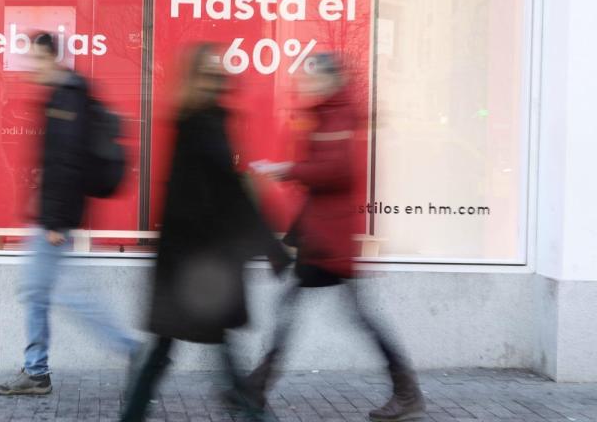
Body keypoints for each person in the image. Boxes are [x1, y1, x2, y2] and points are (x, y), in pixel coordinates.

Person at [246, 53, 425, 422]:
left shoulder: (340, 115)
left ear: (331, 80)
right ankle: (257, 387)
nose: (306, 84)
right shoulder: (327, 113)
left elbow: (340, 170)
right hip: (322, 234)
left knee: (351, 316)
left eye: (312, 78)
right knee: (303, 309)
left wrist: (288, 169)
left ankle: (407, 392)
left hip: (331, 238)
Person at [120, 43, 289, 422]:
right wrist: (270, 246)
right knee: (209, 346)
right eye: (211, 74)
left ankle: (132, 416)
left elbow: (220, 193)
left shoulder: (193, 120)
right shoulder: (202, 125)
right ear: (198, 78)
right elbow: (230, 193)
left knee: (178, 347)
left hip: (189, 261)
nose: (217, 80)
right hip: (199, 264)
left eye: (218, 73)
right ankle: (252, 415)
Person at [0, 32, 140, 396]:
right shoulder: (63, 95)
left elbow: (66, 163)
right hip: (53, 215)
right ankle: (38, 369)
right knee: (43, 292)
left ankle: (126, 349)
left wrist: (56, 220)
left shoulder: (67, 97)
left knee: (58, 294)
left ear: (52, 58)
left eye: (36, 59)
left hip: (55, 220)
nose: (31, 66)